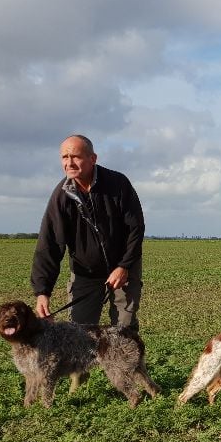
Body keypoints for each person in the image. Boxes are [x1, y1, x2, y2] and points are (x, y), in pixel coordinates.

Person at [31, 134, 145, 329]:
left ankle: (128, 361)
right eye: (64, 157)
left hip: (123, 269)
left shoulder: (118, 184)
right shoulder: (62, 195)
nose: (69, 163)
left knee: (123, 330)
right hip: (85, 274)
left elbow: (136, 227)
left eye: (75, 156)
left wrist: (124, 266)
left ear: (93, 159)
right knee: (79, 334)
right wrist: (43, 292)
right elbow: (49, 245)